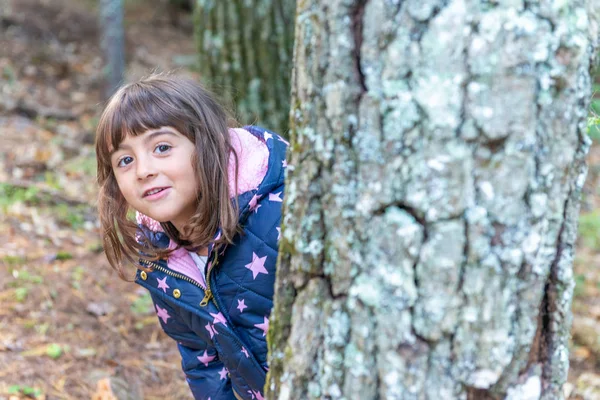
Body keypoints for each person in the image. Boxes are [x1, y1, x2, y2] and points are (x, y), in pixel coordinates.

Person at [95, 73, 287, 400]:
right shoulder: (162, 257)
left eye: (162, 147)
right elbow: (203, 362)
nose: (143, 170)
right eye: (125, 160)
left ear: (208, 142)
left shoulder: (276, 216)